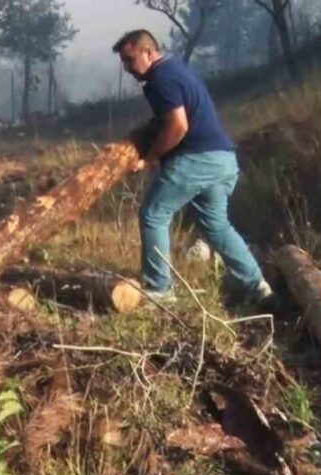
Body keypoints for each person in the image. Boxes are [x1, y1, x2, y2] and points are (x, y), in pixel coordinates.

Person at [113, 29, 273, 305]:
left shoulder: (161, 78)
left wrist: (149, 158)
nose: (127, 68)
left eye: (130, 60)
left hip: (196, 159)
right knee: (216, 225)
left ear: (149, 52)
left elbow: (178, 125)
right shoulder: (176, 70)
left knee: (153, 214)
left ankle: (160, 290)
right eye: (124, 62)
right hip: (223, 159)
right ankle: (256, 285)